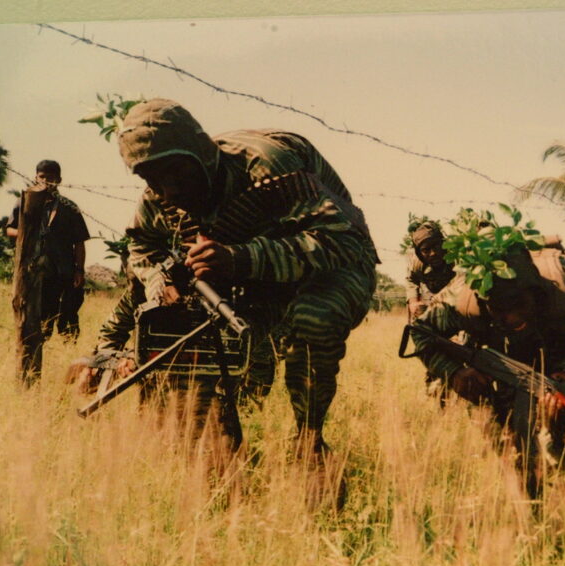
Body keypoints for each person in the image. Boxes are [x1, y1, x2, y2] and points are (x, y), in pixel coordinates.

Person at [116, 98, 379, 454]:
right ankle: (215, 442)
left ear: (200, 153)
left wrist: (241, 258)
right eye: (151, 178)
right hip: (254, 279)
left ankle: (310, 442)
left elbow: (341, 241)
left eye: (176, 172)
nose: (168, 190)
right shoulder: (158, 195)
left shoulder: (267, 167)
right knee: (192, 330)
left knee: (314, 317)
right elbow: (142, 246)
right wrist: (158, 282)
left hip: (335, 263)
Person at [411, 243, 565, 498]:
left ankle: (551, 484)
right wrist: (454, 373)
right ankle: (526, 498)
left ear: (535, 293)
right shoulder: (461, 300)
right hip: (496, 373)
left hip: (559, 369)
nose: (511, 318)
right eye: (499, 309)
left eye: (518, 305)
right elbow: (420, 332)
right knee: (512, 453)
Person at [6, 159, 89, 341]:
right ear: (36, 177)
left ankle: (68, 348)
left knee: (67, 315)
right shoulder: (25, 202)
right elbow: (9, 229)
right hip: (33, 270)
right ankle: (40, 346)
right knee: (39, 316)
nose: (45, 181)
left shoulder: (69, 207)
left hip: (63, 270)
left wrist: (79, 270)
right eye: (42, 177)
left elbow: (79, 242)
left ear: (59, 180)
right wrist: (26, 233)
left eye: (50, 177)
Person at [404, 219, 456, 320]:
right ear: (420, 254)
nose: (433, 253)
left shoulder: (455, 259)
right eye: (426, 250)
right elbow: (411, 280)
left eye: (436, 246)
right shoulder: (418, 263)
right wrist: (413, 302)